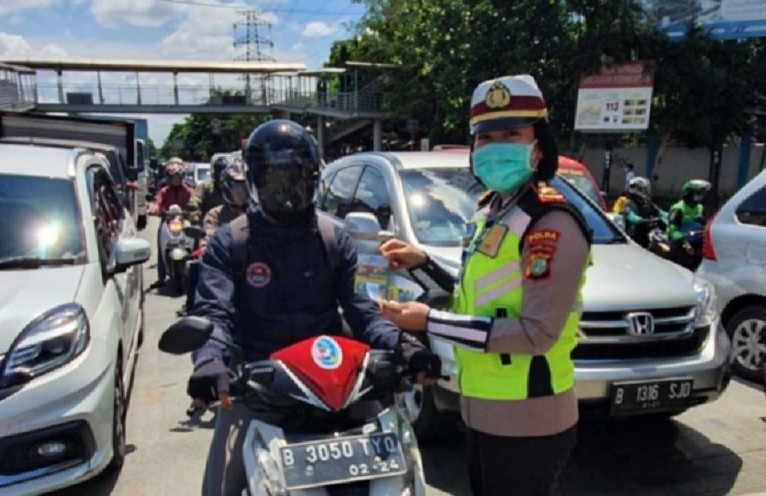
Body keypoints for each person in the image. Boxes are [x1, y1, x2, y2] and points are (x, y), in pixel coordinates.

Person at [187, 119, 440, 496]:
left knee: (398, 470)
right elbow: (214, 312)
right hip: (259, 385)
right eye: (274, 178)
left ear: (313, 179)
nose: (285, 189)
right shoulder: (231, 242)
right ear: (255, 181)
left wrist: (404, 346)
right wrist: (210, 361)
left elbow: (363, 310)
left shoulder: (334, 238)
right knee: (223, 482)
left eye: (296, 176)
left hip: (334, 385)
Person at [378, 75, 591, 496]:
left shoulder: (551, 222)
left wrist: (430, 322)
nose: (496, 147)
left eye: (512, 133)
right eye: (486, 137)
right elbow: (477, 298)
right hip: (484, 409)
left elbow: (535, 333)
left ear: (539, 144)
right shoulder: (495, 211)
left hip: (529, 416)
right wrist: (425, 266)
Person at [179, 161, 250, 317]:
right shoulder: (215, 214)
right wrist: (206, 248)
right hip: (226, 267)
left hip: (256, 267)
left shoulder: (261, 212)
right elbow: (209, 236)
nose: (241, 192)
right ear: (226, 188)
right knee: (196, 268)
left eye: (244, 187)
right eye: (236, 187)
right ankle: (195, 312)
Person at [149, 158, 193, 288]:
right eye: (172, 177)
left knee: (196, 240)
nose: (175, 180)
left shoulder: (188, 191)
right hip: (168, 221)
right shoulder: (164, 191)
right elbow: (158, 203)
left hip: (185, 221)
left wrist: (193, 211)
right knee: (160, 243)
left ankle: (196, 270)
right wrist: (154, 209)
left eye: (177, 177)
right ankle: (161, 277)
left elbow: (195, 202)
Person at [667, 179, 711, 261]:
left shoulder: (700, 208)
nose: (700, 196)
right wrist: (685, 243)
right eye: (698, 193)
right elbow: (673, 230)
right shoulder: (678, 209)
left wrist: (704, 222)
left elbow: (705, 227)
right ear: (689, 193)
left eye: (701, 194)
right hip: (680, 243)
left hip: (697, 243)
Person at [619, 176, 667, 247]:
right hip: (635, 236)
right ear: (637, 190)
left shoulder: (647, 203)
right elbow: (630, 216)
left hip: (648, 232)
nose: (647, 192)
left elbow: (661, 213)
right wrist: (642, 220)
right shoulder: (630, 203)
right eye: (644, 190)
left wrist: (670, 216)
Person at [186, 155, 228, 225]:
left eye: (224, 173)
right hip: (208, 223)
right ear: (214, 173)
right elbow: (195, 201)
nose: (221, 176)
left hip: (228, 223)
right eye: (219, 172)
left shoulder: (232, 187)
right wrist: (195, 217)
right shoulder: (205, 186)